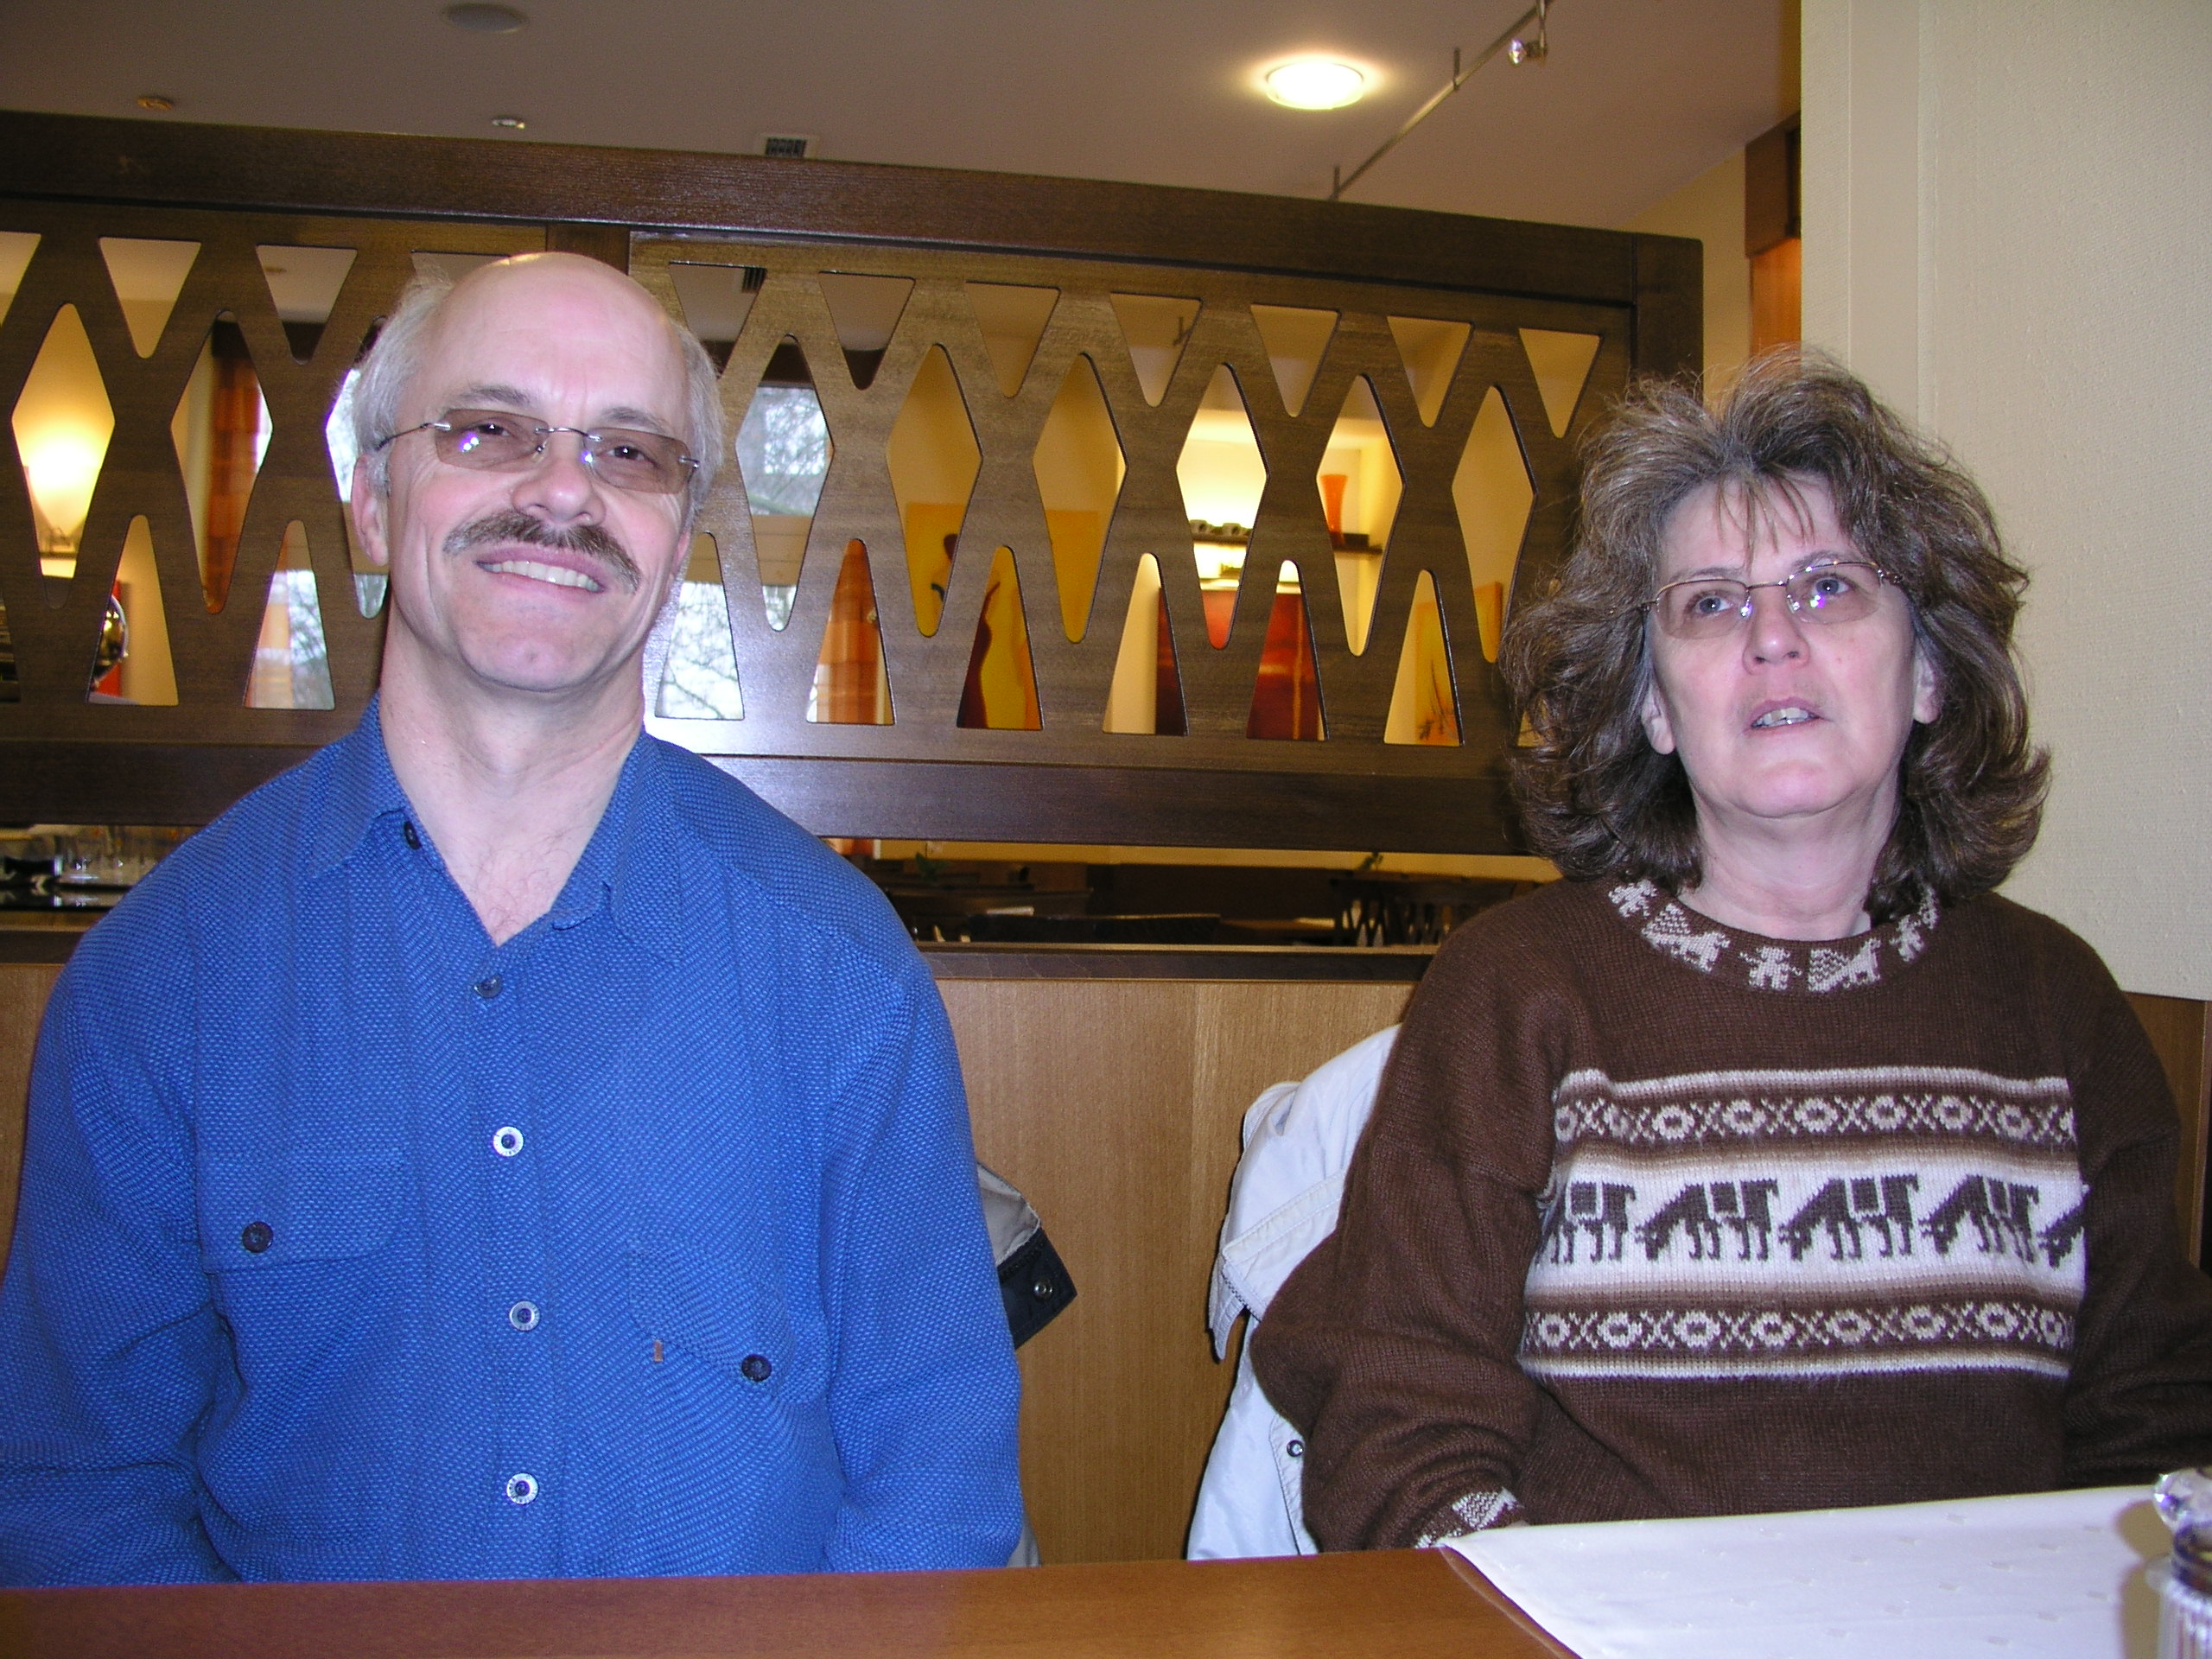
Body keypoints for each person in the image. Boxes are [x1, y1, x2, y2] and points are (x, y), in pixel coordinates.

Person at [0, 253, 1024, 1583]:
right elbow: (81, 1491)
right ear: (374, 500)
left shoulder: (838, 975)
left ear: (677, 539)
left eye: (629, 452)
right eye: (490, 430)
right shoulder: (163, 981)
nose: (562, 492)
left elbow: (937, 1477)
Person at [1250, 351, 2212, 1548]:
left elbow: (2154, 1445)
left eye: (1829, 587)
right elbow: (1401, 1437)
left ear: (1927, 668)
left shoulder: (2060, 1006)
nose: (1772, 639)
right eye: (1710, 603)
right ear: (1656, 705)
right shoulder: (1516, 991)